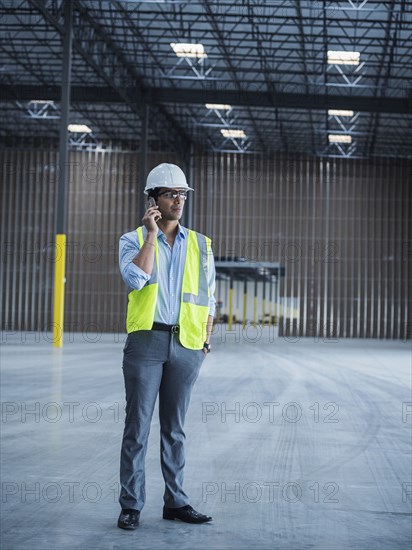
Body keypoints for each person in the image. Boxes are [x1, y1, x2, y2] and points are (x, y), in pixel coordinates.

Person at [117, 163, 216, 530]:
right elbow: (136, 278)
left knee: (175, 429)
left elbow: (210, 298)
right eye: (172, 194)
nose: (179, 200)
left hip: (187, 345)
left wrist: (204, 340)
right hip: (146, 341)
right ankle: (131, 505)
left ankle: (176, 502)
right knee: (137, 427)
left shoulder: (201, 244)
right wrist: (150, 235)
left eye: (183, 194)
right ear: (153, 199)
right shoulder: (132, 239)